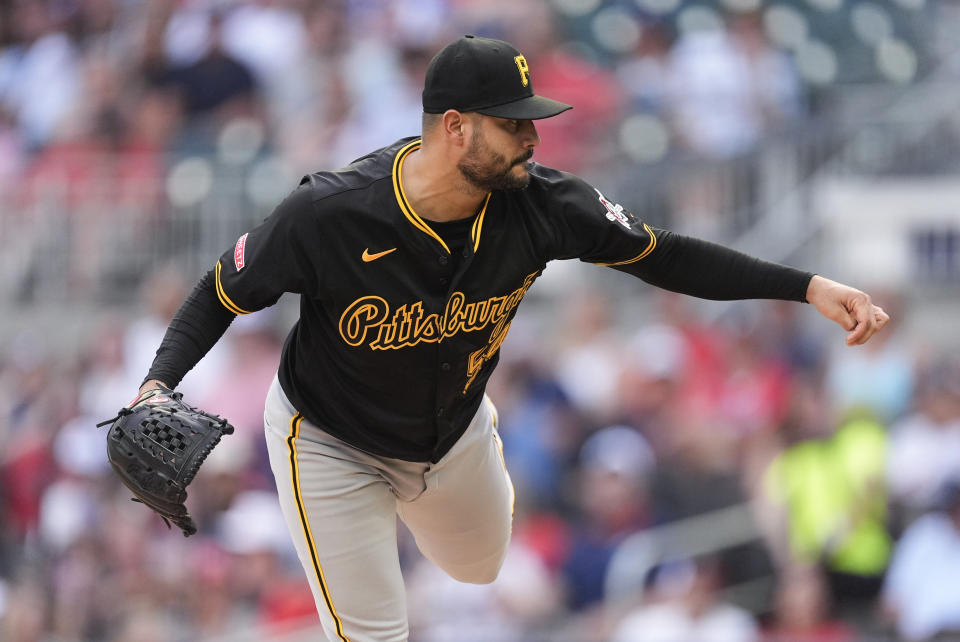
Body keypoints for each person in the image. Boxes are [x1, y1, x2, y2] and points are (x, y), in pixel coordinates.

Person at [135, 35, 889, 642]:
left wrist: (807, 286)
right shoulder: (331, 214)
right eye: (513, 122)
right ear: (455, 126)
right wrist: (156, 382)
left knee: (478, 566)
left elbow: (666, 254)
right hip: (331, 440)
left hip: (454, 428)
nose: (532, 137)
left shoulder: (544, 204)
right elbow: (219, 291)